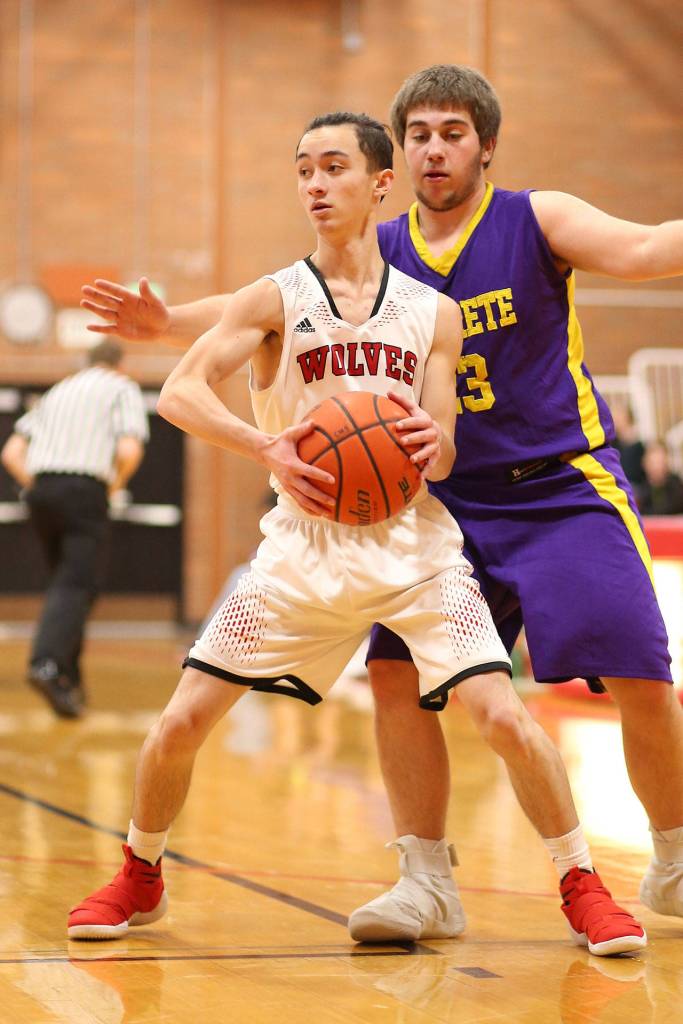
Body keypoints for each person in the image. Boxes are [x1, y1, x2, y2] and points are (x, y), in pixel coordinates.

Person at [68, 112, 645, 956]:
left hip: (413, 550)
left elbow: (443, 454)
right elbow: (181, 394)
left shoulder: (431, 314)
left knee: (505, 717)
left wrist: (429, 441)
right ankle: (140, 874)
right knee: (181, 721)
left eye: (332, 167)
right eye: (302, 169)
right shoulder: (272, 298)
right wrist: (263, 443)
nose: (312, 184)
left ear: (380, 186)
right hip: (298, 549)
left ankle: (580, 884)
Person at [0, 340, 148, 717]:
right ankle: (47, 665)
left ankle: (68, 681)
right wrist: (111, 488)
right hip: (86, 489)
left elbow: (11, 454)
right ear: (120, 363)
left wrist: (39, 488)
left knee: (68, 583)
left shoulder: (57, 391)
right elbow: (130, 450)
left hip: (42, 492)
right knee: (78, 584)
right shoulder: (121, 387)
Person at [637, 440, 683, 516]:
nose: (656, 468)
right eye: (653, 463)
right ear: (645, 464)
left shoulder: (677, 487)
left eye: (660, 462)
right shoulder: (641, 492)